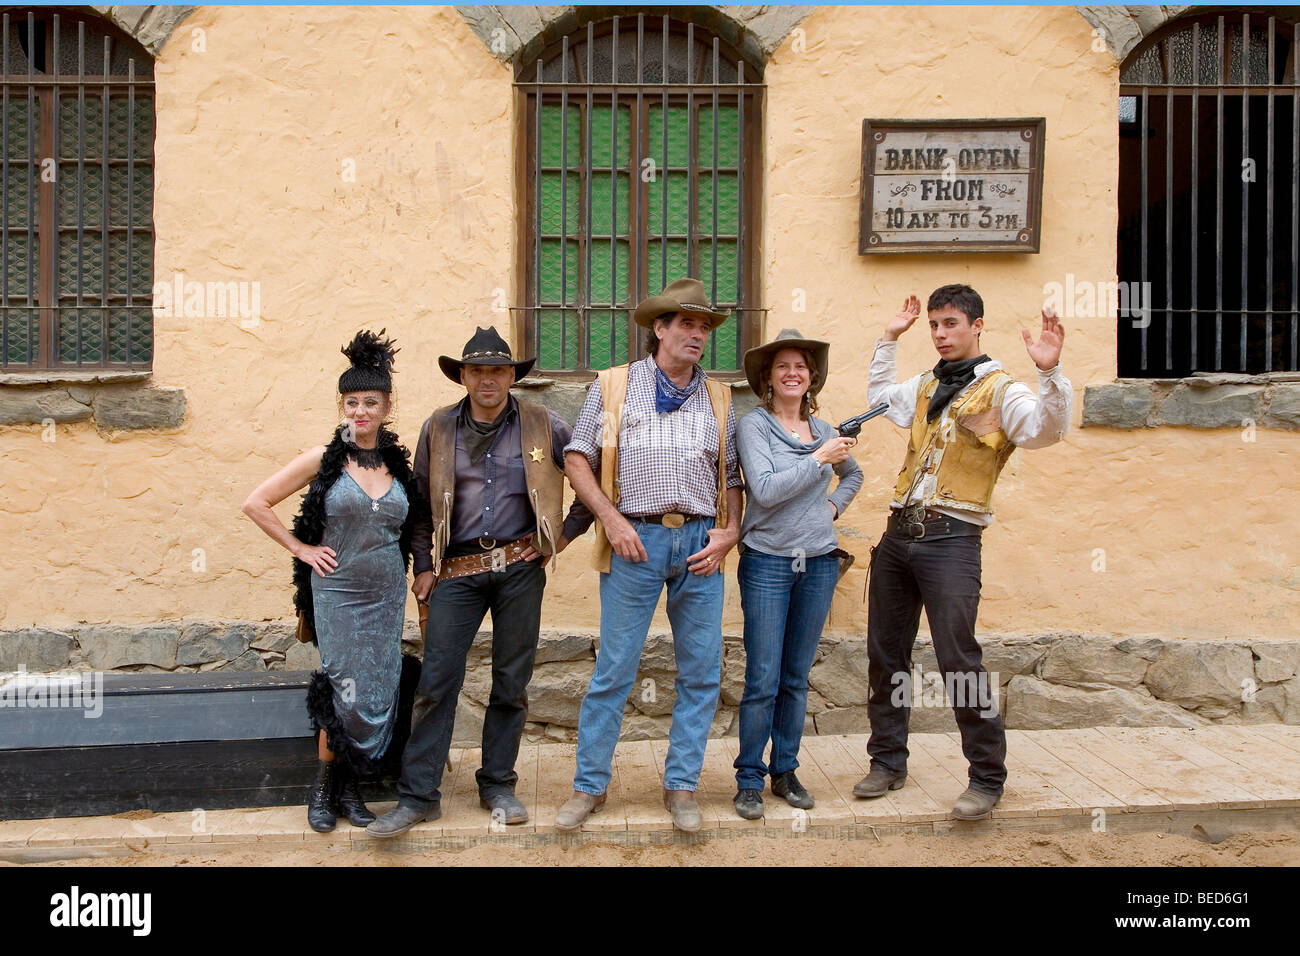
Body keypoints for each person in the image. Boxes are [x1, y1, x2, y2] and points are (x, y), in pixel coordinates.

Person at [366, 326, 593, 837]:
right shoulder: (438, 427)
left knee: (511, 683)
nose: (488, 378)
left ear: (512, 376)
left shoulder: (544, 422)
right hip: (457, 573)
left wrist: (558, 538)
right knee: (436, 683)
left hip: (519, 569)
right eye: (478, 370)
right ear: (463, 376)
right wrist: (423, 565)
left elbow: (589, 478)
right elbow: (419, 504)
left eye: (498, 370)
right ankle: (419, 796)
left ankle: (498, 785)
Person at [856, 285, 1071, 820]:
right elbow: (882, 399)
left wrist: (1050, 373)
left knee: (958, 659)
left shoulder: (1004, 389)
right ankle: (887, 762)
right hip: (899, 533)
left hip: (952, 538)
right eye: (934, 325)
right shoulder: (928, 381)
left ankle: (986, 777)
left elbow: (1046, 431)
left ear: (977, 325)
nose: (940, 334)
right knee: (886, 653)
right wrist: (888, 337)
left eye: (950, 323)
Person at [556, 277, 744, 833]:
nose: (697, 335)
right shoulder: (614, 387)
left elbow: (729, 473)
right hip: (634, 541)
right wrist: (610, 520)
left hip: (700, 546)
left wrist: (730, 531)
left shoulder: (719, 396)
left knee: (701, 672)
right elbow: (576, 458)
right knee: (614, 670)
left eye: (704, 326)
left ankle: (681, 787)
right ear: (658, 329)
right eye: (686, 323)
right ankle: (589, 787)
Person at [242, 330, 417, 833]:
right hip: (338, 592)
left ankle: (352, 790)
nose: (360, 411)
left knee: (379, 689)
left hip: (386, 593)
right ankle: (323, 789)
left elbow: (413, 527)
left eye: (370, 402)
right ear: (343, 407)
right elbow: (256, 502)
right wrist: (299, 548)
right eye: (351, 402)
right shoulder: (323, 459)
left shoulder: (398, 467)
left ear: (386, 407)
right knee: (344, 689)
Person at [732, 329, 863, 820]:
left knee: (795, 677)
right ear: (768, 377)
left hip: (819, 563)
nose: (792, 373)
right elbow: (764, 491)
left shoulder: (828, 431)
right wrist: (817, 461)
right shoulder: (755, 426)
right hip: (767, 560)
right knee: (762, 677)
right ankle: (749, 776)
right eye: (782, 366)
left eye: (801, 367)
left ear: (812, 378)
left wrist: (831, 507)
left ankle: (785, 769)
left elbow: (855, 475)